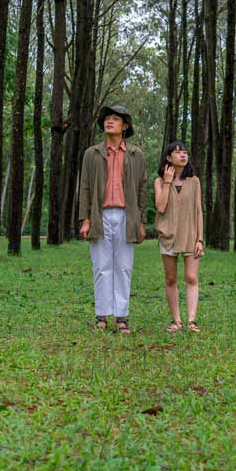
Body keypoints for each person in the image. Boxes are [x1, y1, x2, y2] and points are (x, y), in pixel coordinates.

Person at [79, 104, 147, 333]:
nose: (109, 121)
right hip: (100, 215)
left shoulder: (136, 154)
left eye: (116, 119)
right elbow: (85, 186)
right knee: (101, 267)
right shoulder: (92, 153)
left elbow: (142, 188)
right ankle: (101, 316)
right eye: (107, 118)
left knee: (124, 267)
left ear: (125, 126)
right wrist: (85, 219)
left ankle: (121, 317)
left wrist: (141, 222)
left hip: (127, 216)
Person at [154, 142, 204, 332]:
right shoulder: (159, 181)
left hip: (190, 234)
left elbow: (199, 211)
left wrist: (200, 239)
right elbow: (160, 207)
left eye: (185, 152)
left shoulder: (194, 181)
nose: (183, 155)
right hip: (168, 234)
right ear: (169, 158)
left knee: (191, 277)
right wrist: (167, 182)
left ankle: (191, 321)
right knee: (171, 279)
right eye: (178, 152)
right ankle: (177, 321)